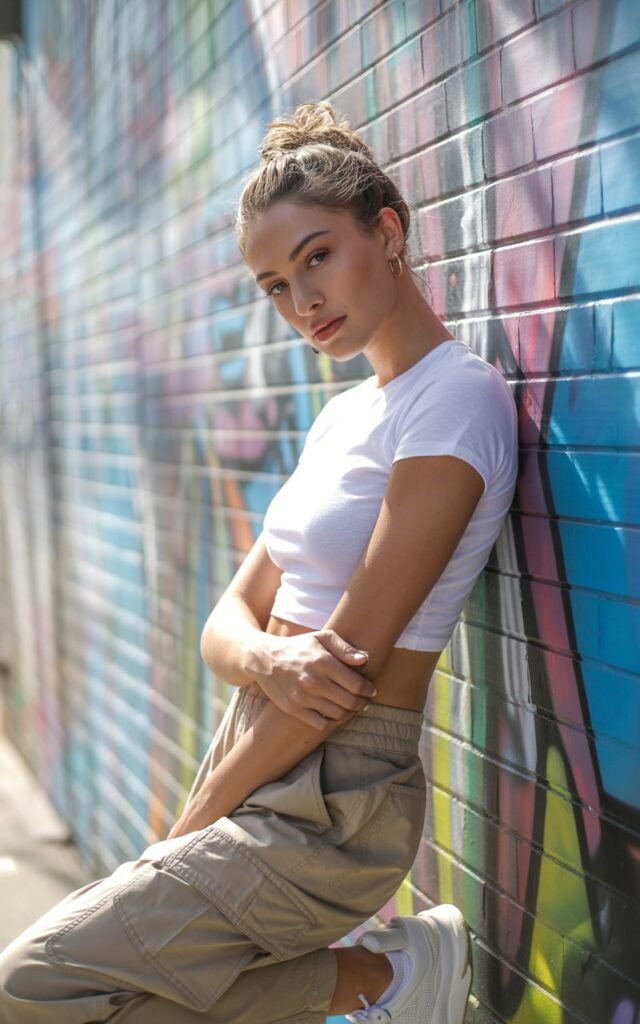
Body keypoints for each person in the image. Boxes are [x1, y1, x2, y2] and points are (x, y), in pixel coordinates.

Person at [0, 101, 518, 1024]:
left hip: (335, 793)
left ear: (387, 231)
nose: (303, 300)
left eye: (317, 256)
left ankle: (384, 982)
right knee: (134, 1007)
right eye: (276, 284)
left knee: (35, 979)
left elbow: (346, 673)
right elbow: (225, 625)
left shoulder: (454, 402)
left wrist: (194, 821)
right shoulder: (342, 417)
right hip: (262, 739)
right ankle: (394, 981)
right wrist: (269, 659)